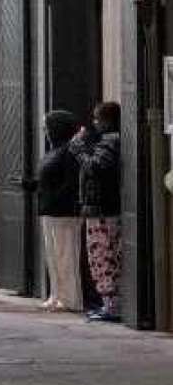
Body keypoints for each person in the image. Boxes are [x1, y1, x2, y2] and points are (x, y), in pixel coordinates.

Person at [77, 100, 124, 323]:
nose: (95, 123)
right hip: (103, 208)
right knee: (103, 257)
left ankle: (111, 306)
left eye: (98, 118)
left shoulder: (109, 142)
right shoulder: (109, 141)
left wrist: (79, 150)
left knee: (102, 257)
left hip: (102, 210)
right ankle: (109, 304)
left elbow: (95, 167)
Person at [35, 110, 85, 312]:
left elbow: (71, 183)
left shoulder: (69, 152)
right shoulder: (53, 151)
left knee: (66, 256)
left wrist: (55, 197)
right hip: (49, 210)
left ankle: (71, 298)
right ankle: (56, 294)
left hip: (65, 211)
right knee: (53, 256)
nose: (45, 131)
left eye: (48, 127)